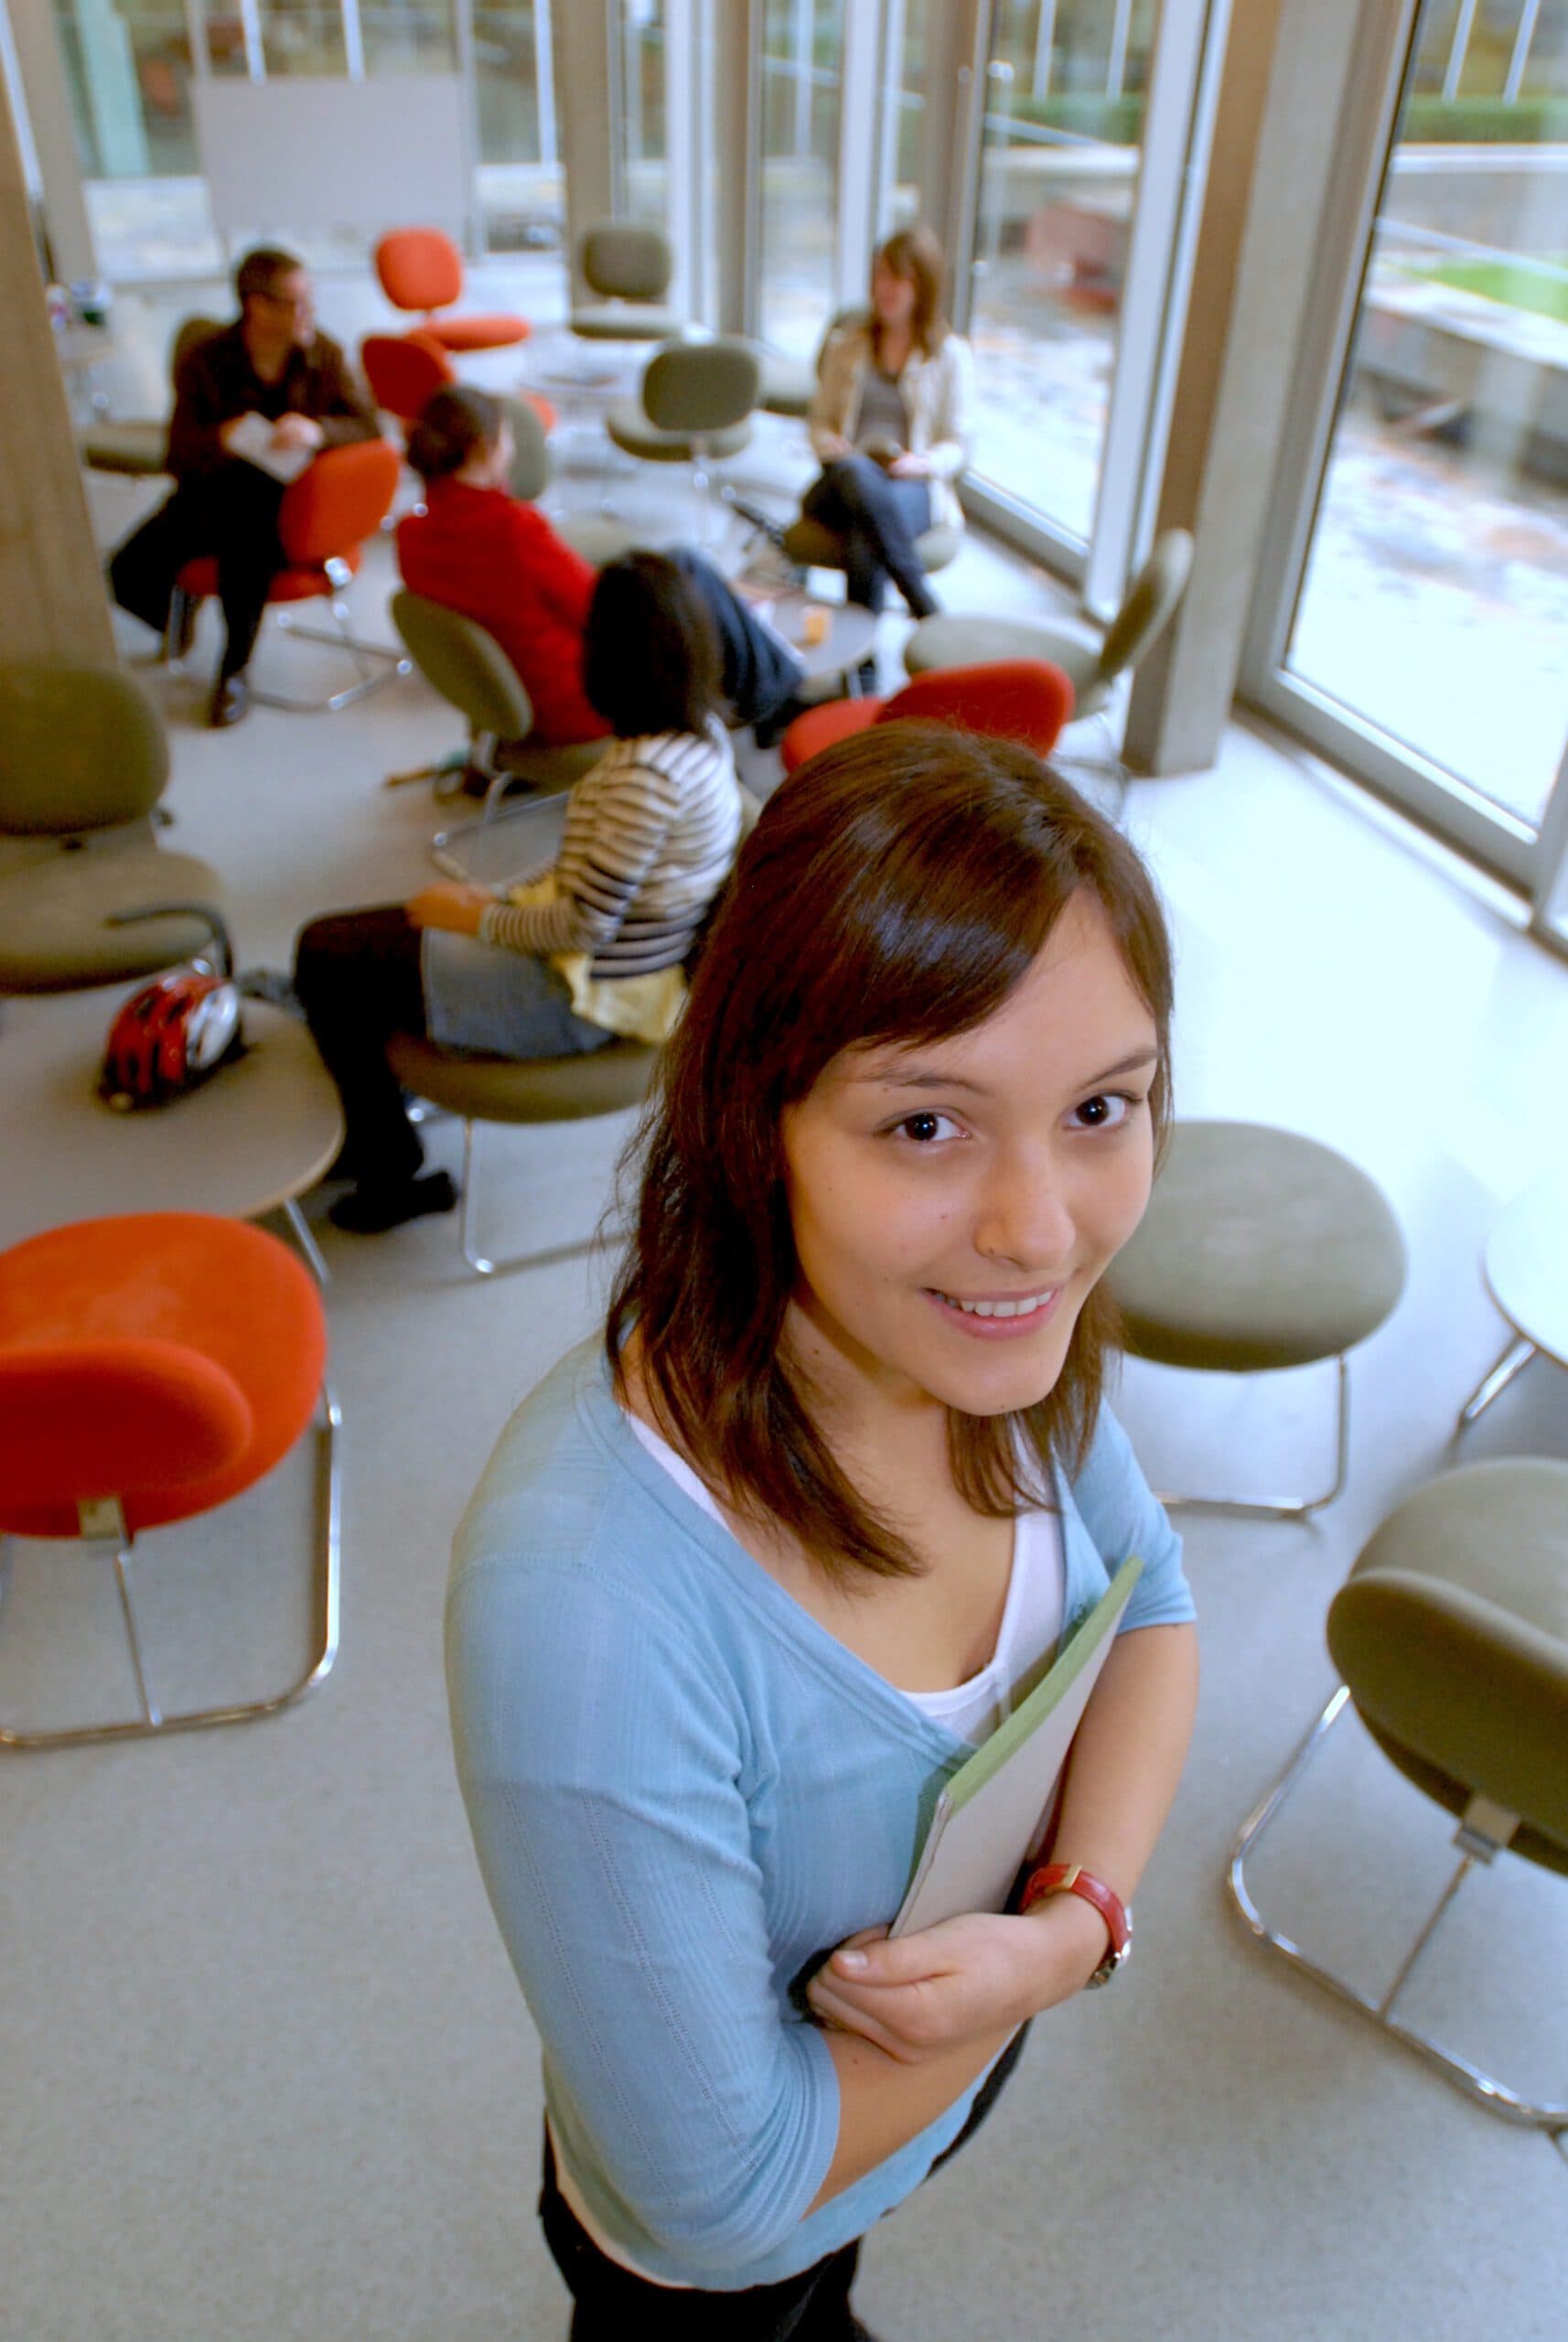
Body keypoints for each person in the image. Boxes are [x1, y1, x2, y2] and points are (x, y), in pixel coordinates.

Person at [446, 723, 1199, 2337]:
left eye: (1100, 1106)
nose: (1039, 1232)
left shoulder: (1001, 1352)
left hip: (933, 2073)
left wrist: (1069, 1928)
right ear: (753, 1120)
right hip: (714, 2263)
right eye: (925, 1124)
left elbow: (1149, 1607)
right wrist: (1026, 1975)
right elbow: (724, 2198)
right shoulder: (582, 1609)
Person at [294, 551, 742, 1235]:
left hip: (582, 995)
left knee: (327, 958)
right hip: (610, 962)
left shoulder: (645, 777)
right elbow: (590, 873)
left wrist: (478, 920)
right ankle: (379, 1137)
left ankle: (391, 1167)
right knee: (346, 948)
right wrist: (493, 902)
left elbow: (584, 926)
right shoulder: (698, 734)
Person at [397, 386, 807, 750]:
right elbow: (599, 607)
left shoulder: (411, 535)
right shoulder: (512, 528)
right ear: (484, 449)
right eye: (507, 437)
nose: (513, 447)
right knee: (686, 574)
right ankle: (776, 696)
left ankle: (771, 691)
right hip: (582, 698)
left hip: (511, 691)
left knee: (680, 572)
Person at [107, 246, 380, 730]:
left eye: (310, 299)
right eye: (297, 303)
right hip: (212, 492)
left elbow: (368, 426)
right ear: (258, 307)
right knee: (123, 574)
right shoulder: (205, 361)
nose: (310, 312)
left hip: (288, 502)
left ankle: (233, 670)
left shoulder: (324, 355)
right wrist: (221, 436)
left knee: (245, 551)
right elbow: (177, 454)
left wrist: (317, 430)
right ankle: (180, 618)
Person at [800, 225, 974, 627]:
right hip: (839, 481)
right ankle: (924, 606)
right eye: (879, 275)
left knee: (865, 539)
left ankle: (862, 659)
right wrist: (829, 443)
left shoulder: (950, 356)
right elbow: (818, 420)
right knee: (857, 471)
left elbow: (959, 443)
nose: (884, 288)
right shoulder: (846, 345)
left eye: (898, 278)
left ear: (922, 287)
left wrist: (924, 463)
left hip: (909, 484)